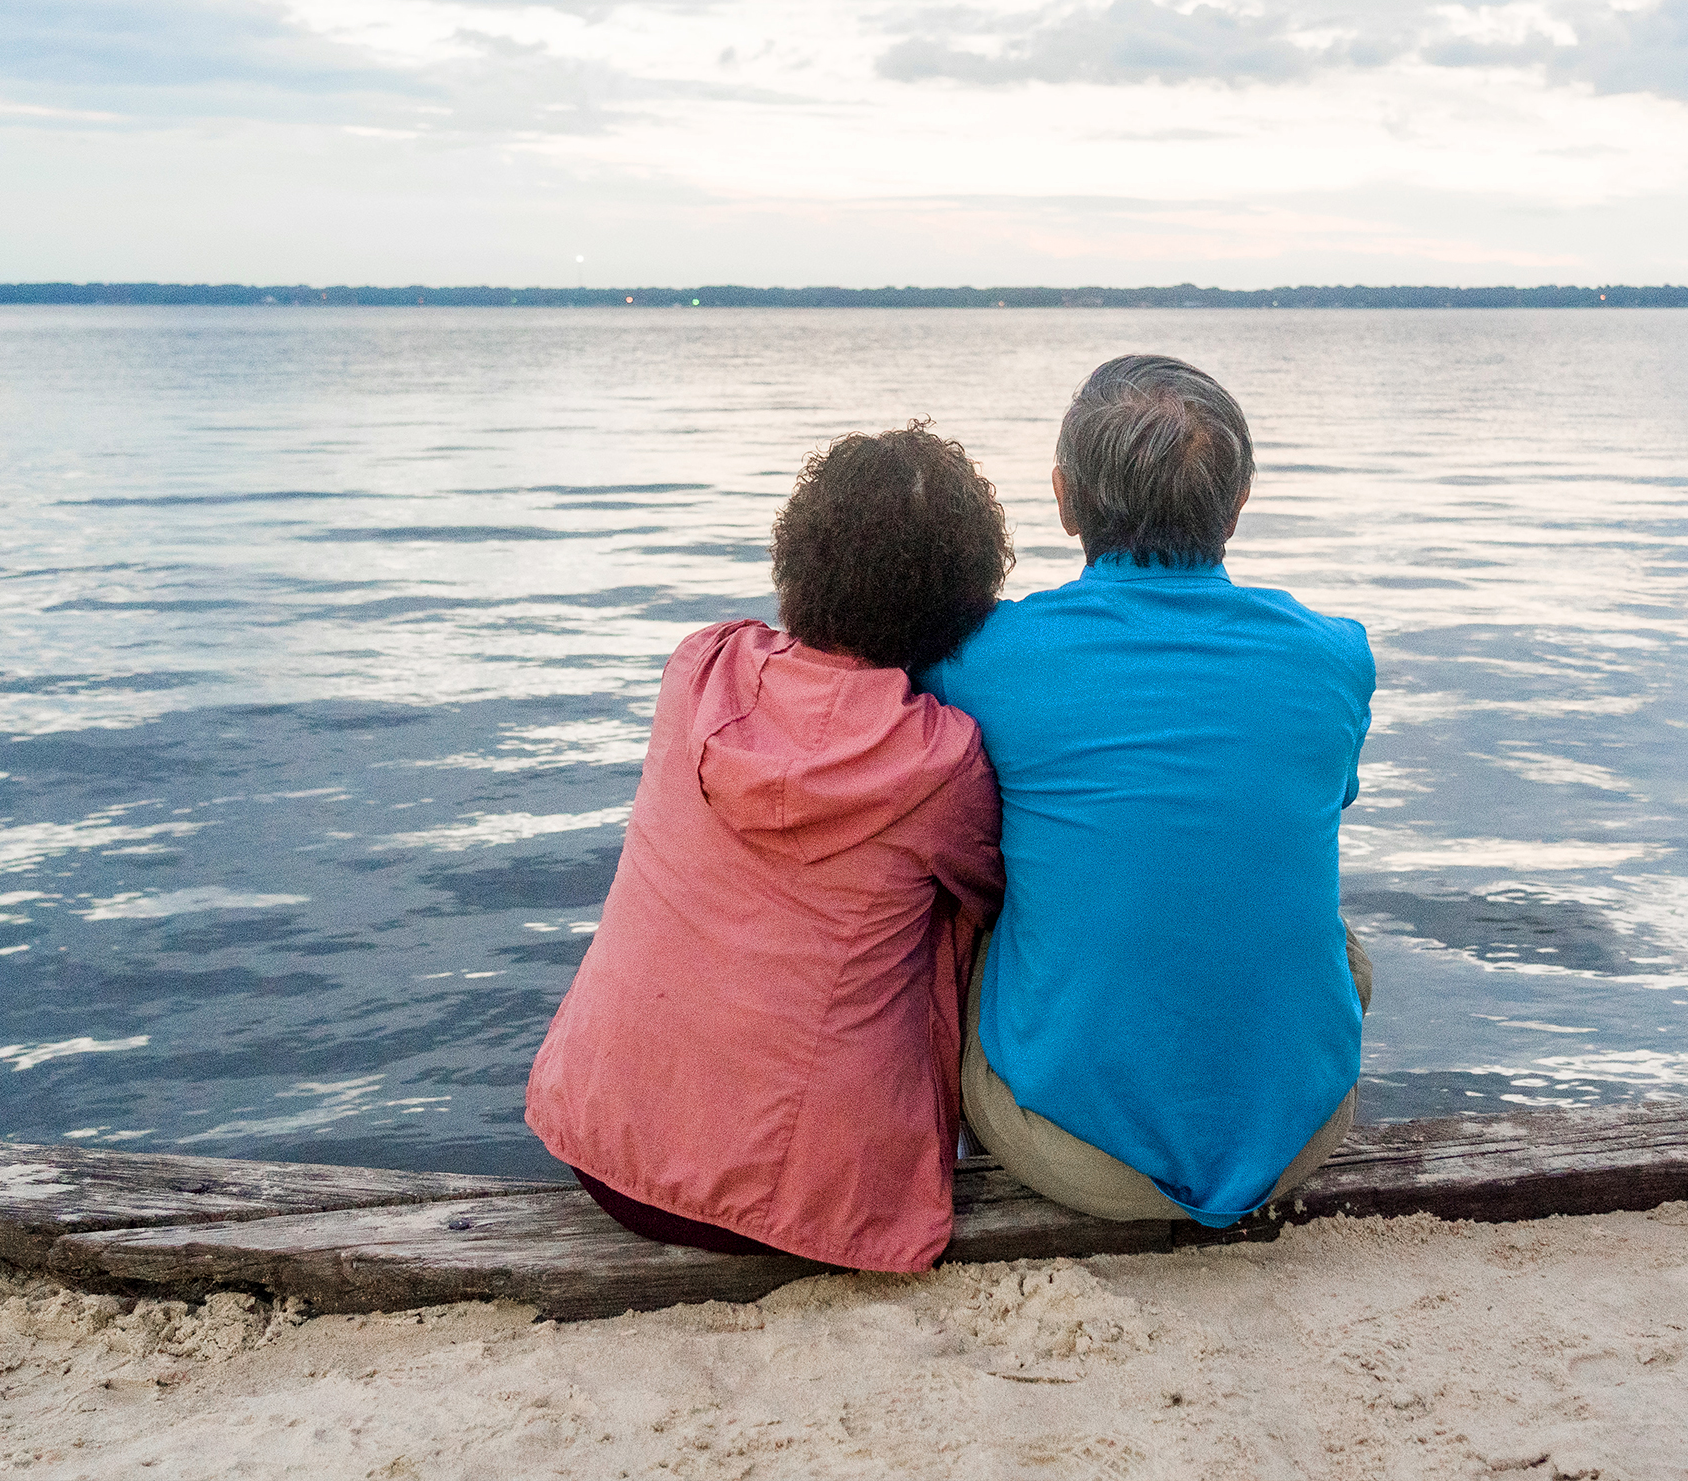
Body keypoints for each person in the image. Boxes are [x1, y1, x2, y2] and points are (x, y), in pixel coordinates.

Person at [525, 423, 1009, 1271]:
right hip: (800, 1203)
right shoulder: (939, 758)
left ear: (798, 557)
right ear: (963, 599)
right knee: (977, 917)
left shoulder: (700, 668)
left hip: (604, 1149)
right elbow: (996, 891)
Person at [920, 354, 1375, 1228]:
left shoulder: (978, 661)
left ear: (1062, 499)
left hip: (1074, 1153)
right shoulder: (1335, 655)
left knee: (971, 898)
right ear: (1238, 503)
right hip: (1300, 1138)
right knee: (1287, 896)